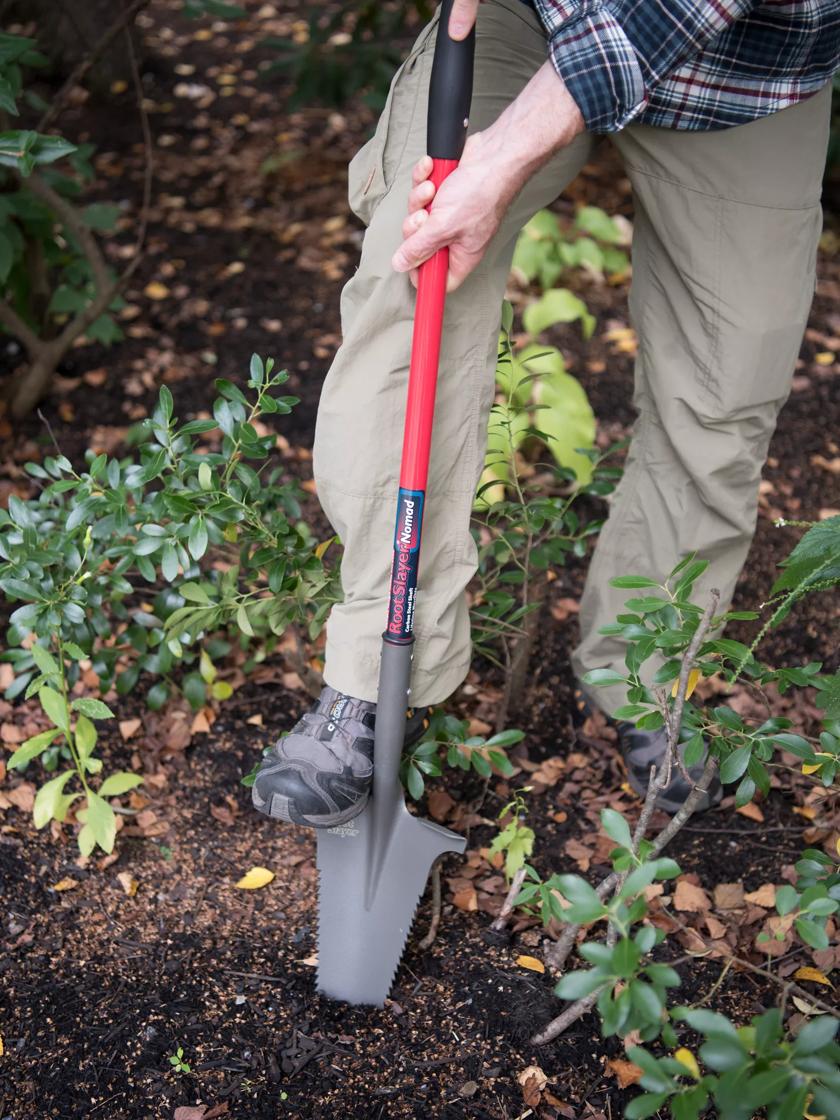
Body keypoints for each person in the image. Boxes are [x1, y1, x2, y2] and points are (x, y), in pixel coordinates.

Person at [252, 0, 839, 829]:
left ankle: (644, 670)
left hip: (749, 66)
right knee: (415, 278)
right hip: (534, 16)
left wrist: (507, 155)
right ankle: (372, 680)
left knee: (728, 383)